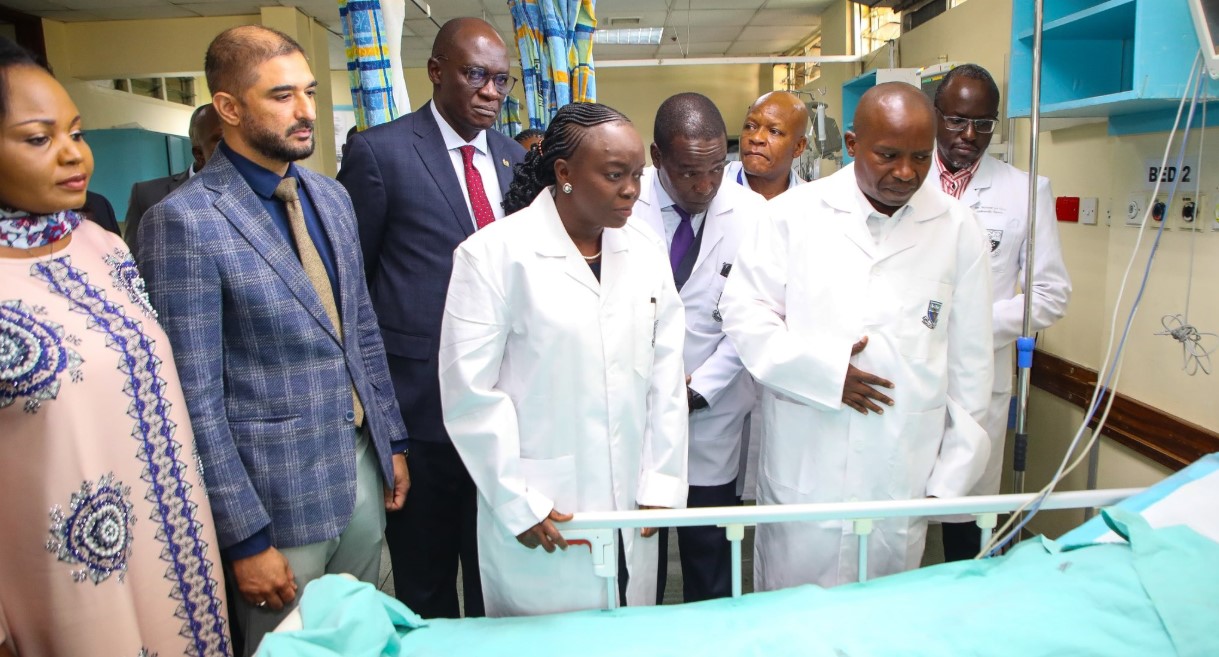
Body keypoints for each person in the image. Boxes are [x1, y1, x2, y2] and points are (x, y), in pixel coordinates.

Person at [136, 26, 408, 655]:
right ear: (229, 109)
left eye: (309, 92)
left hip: (359, 468)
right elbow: (192, 400)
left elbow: (360, 329)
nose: (307, 111)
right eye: (282, 96)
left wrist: (389, 438)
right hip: (273, 499)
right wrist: (244, 538)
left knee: (361, 635)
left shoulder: (330, 197)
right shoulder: (184, 222)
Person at [0, 37, 231, 657]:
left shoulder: (101, 245)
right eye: (37, 138)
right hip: (65, 584)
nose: (75, 154)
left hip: (176, 554)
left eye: (75, 132)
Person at [720, 82, 994, 589]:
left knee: (882, 624)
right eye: (888, 155)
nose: (906, 172)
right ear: (851, 144)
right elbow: (744, 312)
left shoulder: (958, 229)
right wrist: (823, 374)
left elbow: (972, 369)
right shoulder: (792, 216)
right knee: (794, 620)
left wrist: (947, 485)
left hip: (899, 470)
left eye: (920, 156)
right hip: (808, 464)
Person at [438, 102, 688, 617]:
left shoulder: (644, 250)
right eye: (615, 175)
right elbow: (469, 394)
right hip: (544, 501)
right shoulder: (492, 256)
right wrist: (515, 498)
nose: (631, 191)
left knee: (631, 631)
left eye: (637, 175)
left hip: (634, 499)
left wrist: (661, 482)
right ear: (565, 173)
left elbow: (665, 375)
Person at [337, 16, 526, 619]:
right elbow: (353, 290)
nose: (492, 92)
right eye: (477, 75)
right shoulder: (381, 152)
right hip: (421, 415)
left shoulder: (512, 158)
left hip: (502, 404)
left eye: (501, 80)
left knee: (499, 577)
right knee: (426, 585)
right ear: (437, 71)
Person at [931, 64, 1071, 561]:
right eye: (956, 121)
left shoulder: (1025, 190)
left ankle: (966, 622)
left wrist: (968, 328)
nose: (970, 135)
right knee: (894, 511)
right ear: (935, 116)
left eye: (984, 124)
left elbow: (1049, 293)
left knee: (966, 516)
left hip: (978, 377)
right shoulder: (899, 176)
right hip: (903, 372)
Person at [631, 92, 762, 603]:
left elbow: (755, 319)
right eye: (688, 172)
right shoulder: (621, 202)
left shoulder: (750, 214)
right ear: (656, 157)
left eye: (715, 169)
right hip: (636, 407)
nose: (705, 186)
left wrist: (698, 390)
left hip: (713, 409)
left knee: (710, 554)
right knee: (642, 552)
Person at [124, 103, 222, 257]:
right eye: (222, 140)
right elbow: (134, 264)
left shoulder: (258, 193)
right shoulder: (147, 196)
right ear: (199, 154)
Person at [724, 91, 808, 200]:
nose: (756, 137)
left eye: (774, 131)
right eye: (750, 126)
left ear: (799, 146)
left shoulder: (812, 202)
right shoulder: (710, 191)